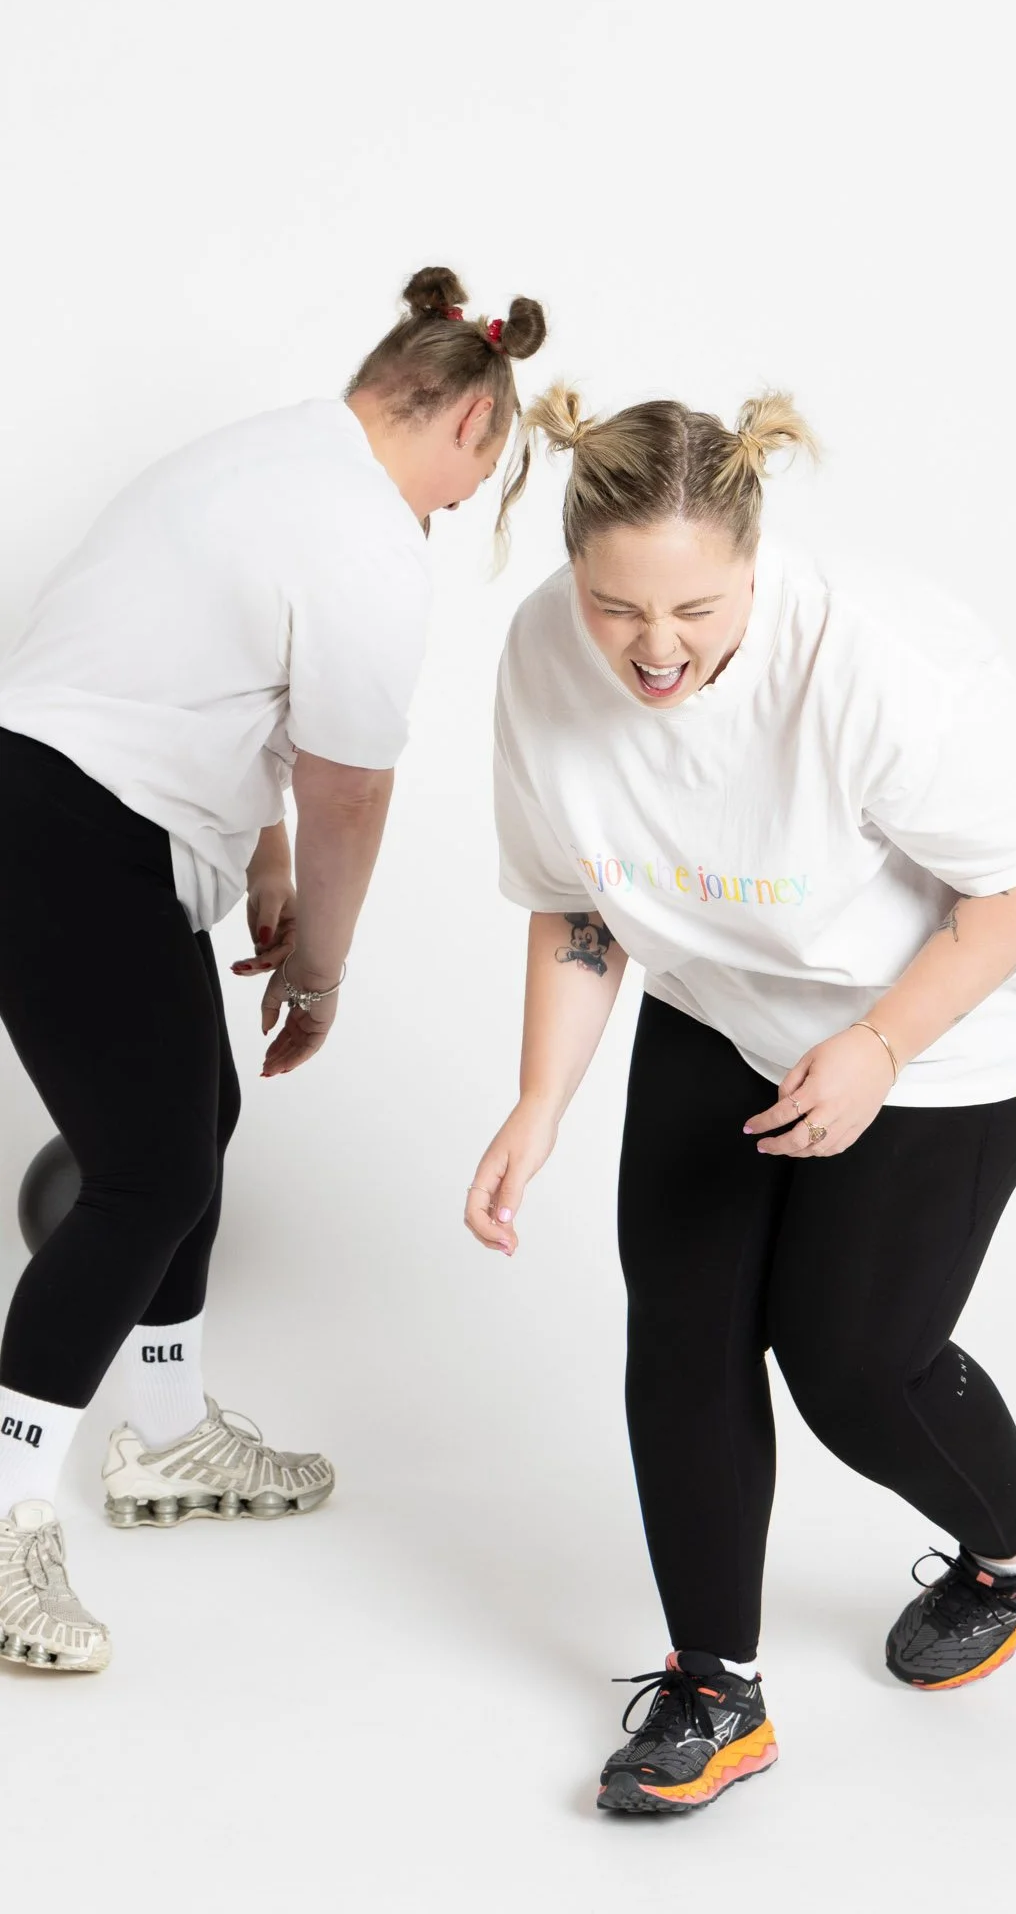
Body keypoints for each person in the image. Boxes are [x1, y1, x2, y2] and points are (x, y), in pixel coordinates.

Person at [466, 384, 1016, 1814]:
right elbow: (581, 902)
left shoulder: (877, 663)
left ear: (755, 565)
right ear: (573, 571)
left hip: (946, 1028)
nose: (654, 647)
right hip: (722, 1002)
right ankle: (716, 1689)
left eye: (694, 609)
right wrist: (537, 1099)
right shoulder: (540, 659)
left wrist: (880, 1048)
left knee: (849, 1364)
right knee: (682, 1335)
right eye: (616, 607)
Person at [0, 266, 545, 1674]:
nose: (455, 510)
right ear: (472, 424)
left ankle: (168, 1439)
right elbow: (348, 783)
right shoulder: (366, 533)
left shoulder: (264, 453)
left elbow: (193, 682)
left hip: (76, 809)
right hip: (70, 825)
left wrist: (263, 873)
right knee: (145, 1178)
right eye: (472, 484)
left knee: (198, 1135)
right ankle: (9, 1527)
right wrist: (322, 968)